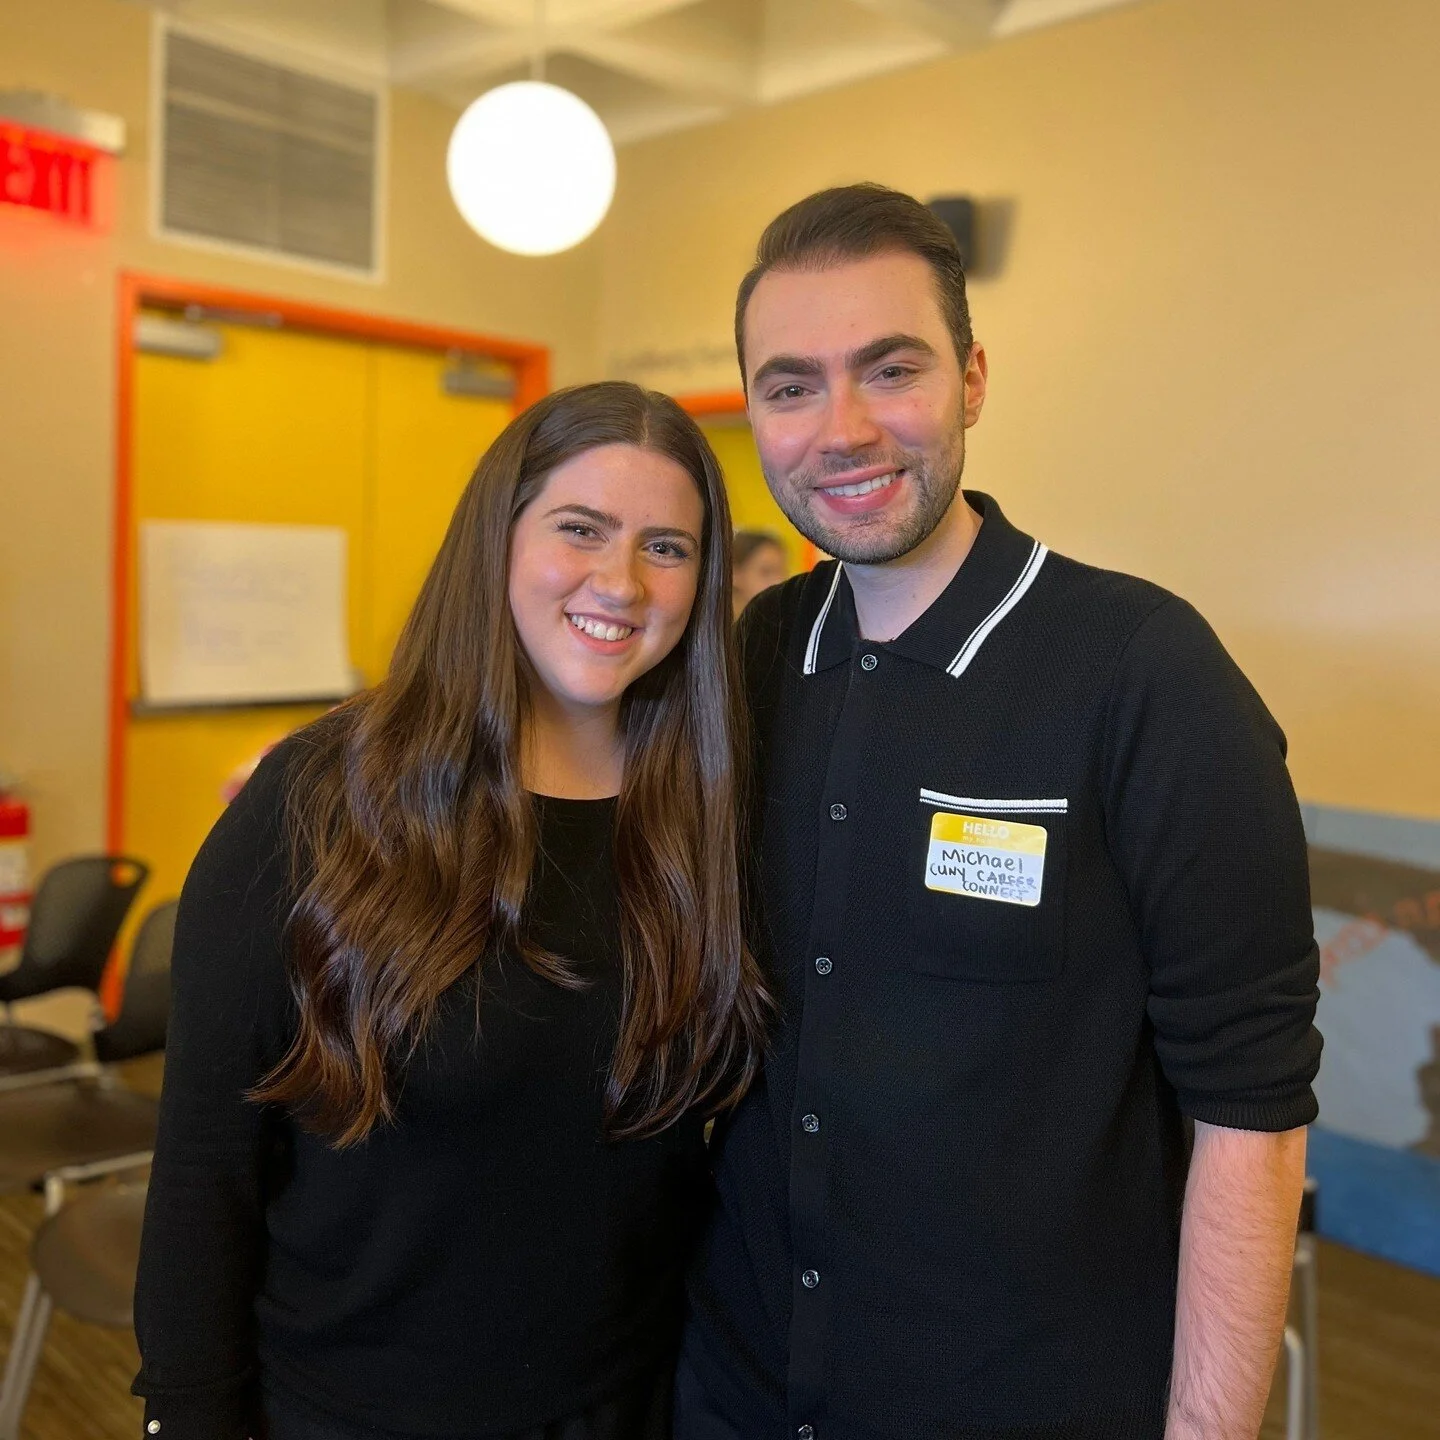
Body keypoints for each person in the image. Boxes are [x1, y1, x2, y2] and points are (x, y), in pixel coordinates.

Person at [674, 185, 1323, 1440]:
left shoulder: (1145, 674)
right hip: (743, 1389)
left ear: (973, 379)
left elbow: (1250, 1113)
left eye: (891, 368)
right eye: (791, 385)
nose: (843, 428)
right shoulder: (756, 655)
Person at [133, 382, 771, 1440]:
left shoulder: (704, 814)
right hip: (346, 1414)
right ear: (499, 536)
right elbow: (206, 1170)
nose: (620, 581)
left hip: (631, 1409)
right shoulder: (321, 798)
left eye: (668, 547)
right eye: (581, 529)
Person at [731, 529, 789, 618]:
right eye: (766, 572)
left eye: (782, 571)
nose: (779, 581)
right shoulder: (712, 627)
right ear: (734, 575)